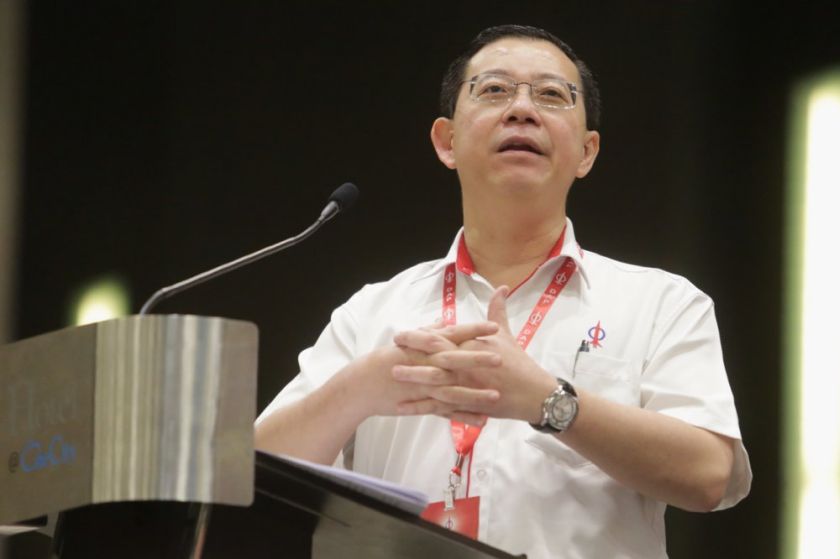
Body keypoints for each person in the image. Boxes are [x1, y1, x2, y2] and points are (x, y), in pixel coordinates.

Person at [255, 24, 751, 559]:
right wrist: (360, 388)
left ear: (586, 153)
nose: (522, 110)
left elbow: (709, 477)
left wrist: (549, 401)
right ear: (447, 142)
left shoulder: (662, 303)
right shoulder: (374, 312)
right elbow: (248, 477)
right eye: (493, 90)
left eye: (552, 95)